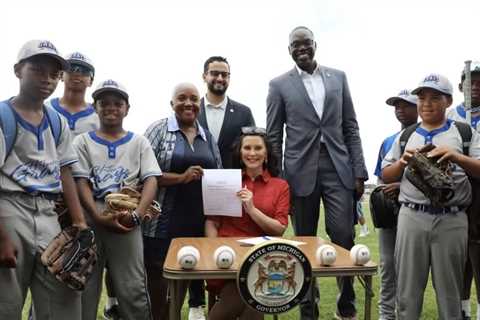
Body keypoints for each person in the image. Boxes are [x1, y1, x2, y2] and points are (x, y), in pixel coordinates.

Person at [266, 26, 368, 320]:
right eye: (295, 45)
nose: (301, 48)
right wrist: (277, 179)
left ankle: (345, 303)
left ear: (315, 45)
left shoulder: (338, 77)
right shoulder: (278, 85)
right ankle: (308, 309)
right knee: (304, 242)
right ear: (289, 50)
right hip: (298, 173)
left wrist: (359, 171)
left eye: (306, 43)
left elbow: (351, 126)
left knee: (343, 235)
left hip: (338, 169)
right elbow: (274, 136)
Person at [0, 39, 88, 320]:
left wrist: (79, 225)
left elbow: (65, 171)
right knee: (7, 301)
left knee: (62, 297)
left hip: (49, 212)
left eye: (54, 74)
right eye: (37, 70)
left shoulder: (56, 121)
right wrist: (1, 236)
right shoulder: (4, 116)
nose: (47, 79)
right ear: (17, 71)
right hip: (11, 209)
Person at [382, 74, 480, 320]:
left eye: (435, 97)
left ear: (448, 101)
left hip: (452, 217)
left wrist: (457, 157)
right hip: (412, 215)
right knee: (407, 293)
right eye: (422, 97)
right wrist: (403, 162)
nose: (426, 103)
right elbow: (386, 173)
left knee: (450, 295)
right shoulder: (406, 135)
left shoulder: (464, 132)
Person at [73, 79, 161, 320]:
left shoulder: (139, 141)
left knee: (132, 287)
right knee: (85, 285)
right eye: (104, 103)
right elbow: (80, 182)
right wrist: (96, 217)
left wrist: (136, 216)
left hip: (127, 215)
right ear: (95, 107)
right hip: (93, 213)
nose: (111, 107)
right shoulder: (82, 141)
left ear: (127, 108)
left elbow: (152, 179)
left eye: (117, 103)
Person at [143, 82, 222, 320]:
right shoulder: (158, 130)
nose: (188, 103)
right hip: (161, 224)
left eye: (194, 98)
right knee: (159, 289)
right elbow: (143, 173)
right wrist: (181, 177)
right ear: (172, 103)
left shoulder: (206, 135)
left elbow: (218, 172)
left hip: (196, 223)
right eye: (181, 98)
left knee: (185, 282)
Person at [190, 55, 256, 320]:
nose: (219, 78)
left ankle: (231, 299)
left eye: (224, 74)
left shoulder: (243, 112)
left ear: (229, 78)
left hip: (231, 191)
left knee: (227, 243)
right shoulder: (192, 109)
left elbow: (251, 148)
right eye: (214, 73)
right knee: (197, 241)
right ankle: (196, 303)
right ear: (204, 76)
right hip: (194, 189)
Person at [205, 127, 290, 320]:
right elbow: (212, 222)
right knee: (253, 294)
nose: (252, 153)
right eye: (247, 148)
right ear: (240, 152)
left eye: (258, 148)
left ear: (266, 153)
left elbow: (279, 229)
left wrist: (251, 209)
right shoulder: (225, 180)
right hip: (226, 258)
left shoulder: (280, 186)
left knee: (251, 289)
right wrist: (214, 249)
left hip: (260, 261)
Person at [373, 89, 418, 320]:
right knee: (388, 264)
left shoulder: (425, 136)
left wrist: (402, 187)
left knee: (410, 267)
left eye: (405, 105)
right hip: (390, 212)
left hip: (416, 211)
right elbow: (381, 177)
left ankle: (405, 313)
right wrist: (384, 192)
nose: (399, 109)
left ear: (418, 106)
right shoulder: (389, 141)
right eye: (396, 106)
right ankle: (385, 313)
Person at [447, 62, 480, 320]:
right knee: (459, 249)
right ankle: (462, 308)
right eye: (471, 81)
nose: (475, 87)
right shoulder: (451, 118)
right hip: (457, 187)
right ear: (461, 86)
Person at [46, 52, 99, 135]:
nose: (77, 73)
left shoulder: (98, 117)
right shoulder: (46, 109)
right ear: (61, 75)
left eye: (84, 70)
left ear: (91, 81)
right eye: (71, 68)